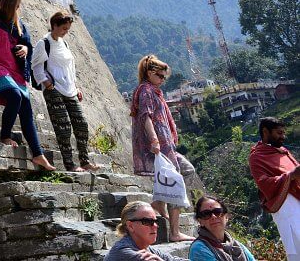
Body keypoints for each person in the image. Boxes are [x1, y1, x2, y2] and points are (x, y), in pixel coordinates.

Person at [0, 0, 55, 171]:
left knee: (27, 112)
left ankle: (38, 155)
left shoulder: (20, 25)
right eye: (17, 5)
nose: (18, 8)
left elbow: (27, 45)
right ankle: (5, 135)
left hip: (16, 72)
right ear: (10, 3)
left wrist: (26, 49)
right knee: (15, 96)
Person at [130, 54, 194, 243]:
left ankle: (159, 202)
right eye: (160, 76)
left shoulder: (153, 90)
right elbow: (146, 117)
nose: (163, 80)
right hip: (160, 142)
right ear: (150, 72)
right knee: (175, 180)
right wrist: (154, 140)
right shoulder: (146, 91)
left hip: (166, 142)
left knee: (185, 171)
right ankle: (175, 231)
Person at [31, 11, 99, 173]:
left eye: (67, 29)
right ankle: (69, 163)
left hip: (70, 90)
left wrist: (76, 87)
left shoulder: (64, 44)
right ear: (54, 26)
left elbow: (70, 68)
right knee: (64, 127)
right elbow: (36, 66)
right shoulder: (44, 43)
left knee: (81, 124)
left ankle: (84, 160)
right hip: (54, 89)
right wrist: (47, 84)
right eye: (63, 28)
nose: (65, 32)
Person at [249, 116, 300, 260]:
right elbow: (264, 183)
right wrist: (291, 176)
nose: (283, 137)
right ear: (265, 132)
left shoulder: (283, 151)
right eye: (279, 133)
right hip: (286, 207)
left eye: (284, 133)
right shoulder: (257, 157)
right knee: (296, 249)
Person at [106, 201, 188, 260]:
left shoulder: (148, 249)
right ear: (130, 226)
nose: (156, 226)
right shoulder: (124, 252)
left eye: (156, 221)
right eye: (148, 222)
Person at [189, 195, 256, 261]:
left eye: (217, 212)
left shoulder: (237, 246)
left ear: (226, 217)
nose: (213, 216)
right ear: (200, 221)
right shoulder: (199, 249)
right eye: (206, 214)